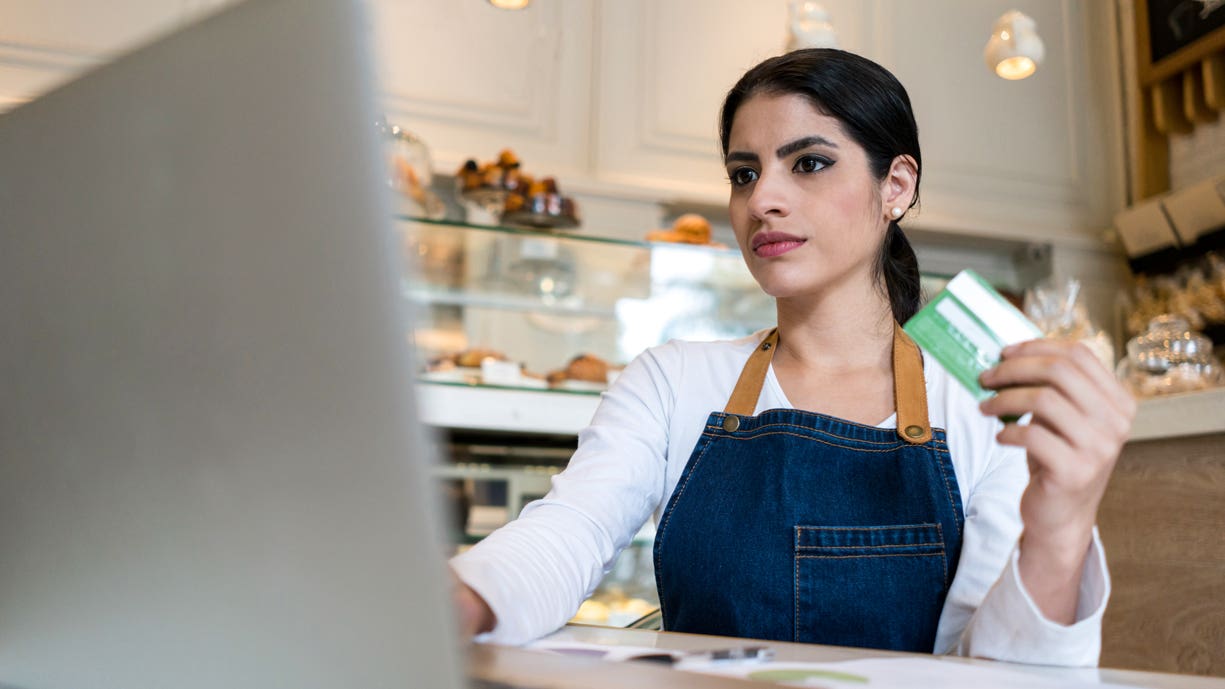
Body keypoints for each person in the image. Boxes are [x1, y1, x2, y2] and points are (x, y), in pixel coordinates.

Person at [450, 48, 1135, 665]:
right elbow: (565, 534)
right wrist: (457, 600)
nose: (762, 200)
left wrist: (1063, 518)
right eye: (743, 173)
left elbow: (998, 673)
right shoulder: (672, 380)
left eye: (808, 163)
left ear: (894, 186)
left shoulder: (985, 401)